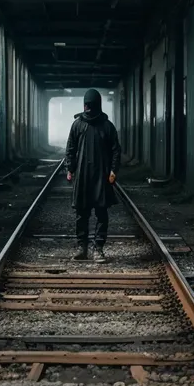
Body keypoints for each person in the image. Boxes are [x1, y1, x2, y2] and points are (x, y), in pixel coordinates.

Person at [65, 88, 121, 262]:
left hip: (101, 176)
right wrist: (70, 168)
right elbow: (71, 148)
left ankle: (98, 248)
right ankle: (83, 247)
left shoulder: (107, 126)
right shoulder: (78, 124)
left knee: (101, 213)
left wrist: (113, 170)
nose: (89, 108)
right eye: (87, 105)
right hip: (84, 175)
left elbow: (115, 151)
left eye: (90, 105)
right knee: (83, 213)